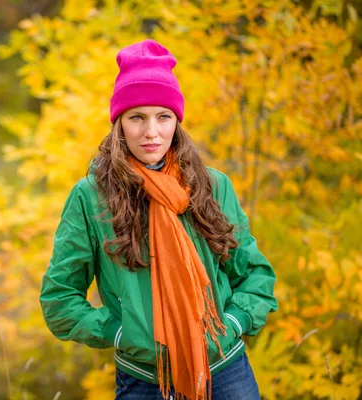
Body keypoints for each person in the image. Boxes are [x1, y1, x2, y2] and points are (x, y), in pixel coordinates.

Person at [39, 39, 278, 400]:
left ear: (176, 122)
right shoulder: (91, 197)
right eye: (137, 117)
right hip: (143, 381)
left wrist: (232, 323)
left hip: (226, 372)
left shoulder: (212, 185)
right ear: (119, 123)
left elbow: (255, 275)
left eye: (163, 117)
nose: (151, 132)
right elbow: (59, 298)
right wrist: (120, 333)